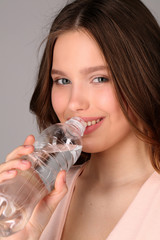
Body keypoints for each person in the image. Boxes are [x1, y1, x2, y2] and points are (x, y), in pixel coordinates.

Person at [0, 0, 160, 239]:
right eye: (62, 81)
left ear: (142, 74)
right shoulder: (37, 199)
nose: (74, 103)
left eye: (99, 78)